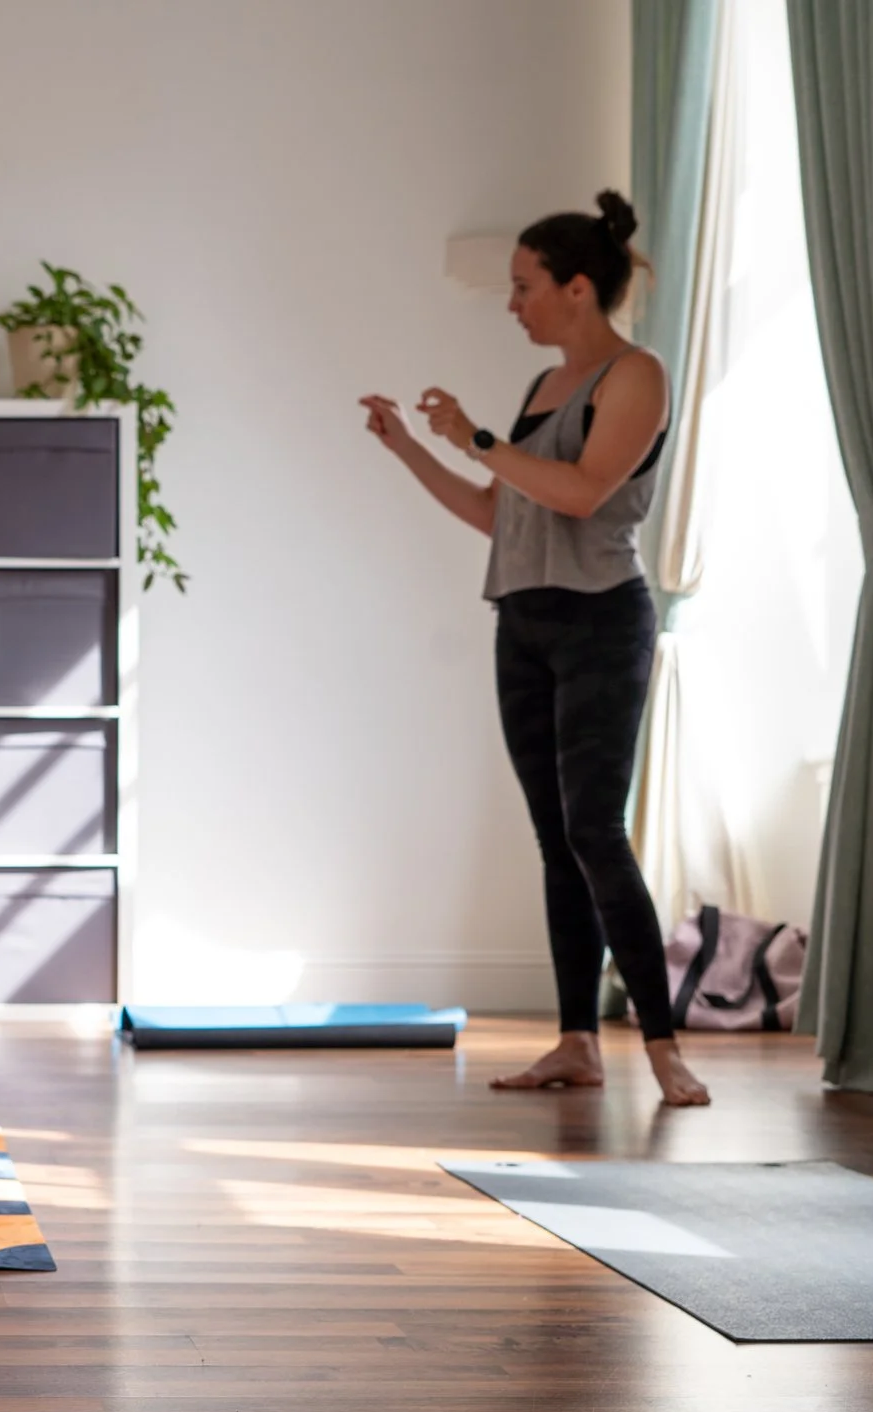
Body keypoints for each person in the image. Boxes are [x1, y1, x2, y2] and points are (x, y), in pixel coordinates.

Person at [359, 190, 709, 1109]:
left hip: (602, 620)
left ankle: (666, 1047)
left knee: (596, 828)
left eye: (524, 287)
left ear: (578, 289)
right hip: (524, 622)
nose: (513, 304)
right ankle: (576, 1042)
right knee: (557, 839)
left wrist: (478, 437)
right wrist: (409, 447)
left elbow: (585, 492)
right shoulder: (542, 390)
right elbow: (498, 512)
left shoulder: (638, 376)